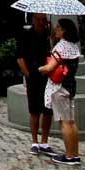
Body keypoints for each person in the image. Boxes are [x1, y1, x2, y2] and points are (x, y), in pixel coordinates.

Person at [40, 18, 82, 166]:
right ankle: (75, 154)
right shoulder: (73, 46)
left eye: (58, 27)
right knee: (71, 122)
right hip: (70, 87)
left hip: (59, 88)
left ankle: (69, 156)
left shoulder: (61, 46)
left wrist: (41, 69)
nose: (55, 29)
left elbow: (50, 67)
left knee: (64, 123)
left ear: (64, 30)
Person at [17, 12, 54, 154]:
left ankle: (44, 141)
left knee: (47, 110)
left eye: (43, 19)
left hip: (48, 77)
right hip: (33, 76)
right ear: (33, 20)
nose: (40, 22)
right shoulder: (26, 35)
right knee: (34, 110)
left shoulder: (49, 35)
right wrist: (27, 74)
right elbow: (20, 57)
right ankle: (34, 141)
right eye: (38, 19)